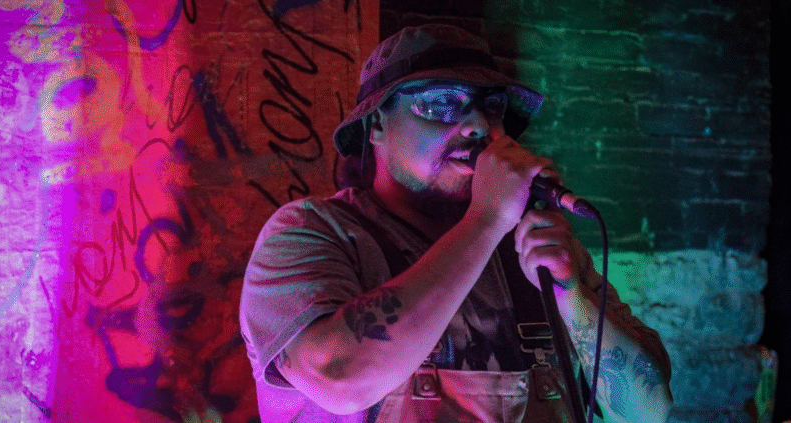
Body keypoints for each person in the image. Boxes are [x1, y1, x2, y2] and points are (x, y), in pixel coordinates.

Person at [239, 24, 673, 422]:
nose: (478, 127)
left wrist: (568, 291)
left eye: (492, 108)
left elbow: (648, 410)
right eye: (442, 103)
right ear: (376, 125)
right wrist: (486, 220)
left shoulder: (537, 246)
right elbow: (341, 379)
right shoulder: (310, 234)